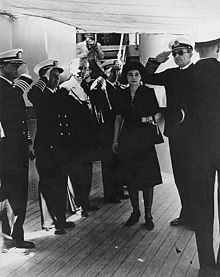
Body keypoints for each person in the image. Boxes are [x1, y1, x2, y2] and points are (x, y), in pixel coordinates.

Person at [145, 38, 194, 228]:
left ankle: (196, 217)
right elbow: (147, 77)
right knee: (180, 175)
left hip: (195, 134)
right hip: (176, 131)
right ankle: (186, 214)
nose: (177, 56)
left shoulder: (199, 73)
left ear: (190, 53)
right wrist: (156, 61)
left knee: (194, 175)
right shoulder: (171, 74)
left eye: (181, 53)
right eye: (174, 54)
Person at [112, 61, 162, 230]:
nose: (133, 78)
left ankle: (148, 214)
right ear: (126, 76)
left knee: (147, 178)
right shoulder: (121, 93)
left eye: (136, 74)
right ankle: (135, 212)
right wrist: (115, 140)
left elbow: (157, 113)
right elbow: (118, 118)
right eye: (130, 74)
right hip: (127, 138)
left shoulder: (148, 92)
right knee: (130, 178)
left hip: (145, 139)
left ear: (141, 76)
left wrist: (146, 119)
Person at [28, 60, 75, 235]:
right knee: (48, 184)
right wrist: (42, 78)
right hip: (46, 148)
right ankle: (50, 222)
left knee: (61, 182)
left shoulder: (60, 94)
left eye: (57, 76)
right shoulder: (40, 95)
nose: (56, 79)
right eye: (53, 76)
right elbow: (32, 94)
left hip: (61, 147)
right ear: (46, 77)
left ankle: (61, 219)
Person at [188, 31, 220, 277]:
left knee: (202, 205)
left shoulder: (187, 76)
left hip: (198, 150)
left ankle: (207, 266)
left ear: (197, 49)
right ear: (218, 48)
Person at [0, 49, 35, 248]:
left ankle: (16, 234)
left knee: (18, 192)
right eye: (13, 66)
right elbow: (13, 97)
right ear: (2, 67)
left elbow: (21, 121)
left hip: (18, 148)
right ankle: (10, 237)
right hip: (7, 151)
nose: (17, 69)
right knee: (11, 192)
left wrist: (28, 142)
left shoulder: (10, 88)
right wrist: (26, 77)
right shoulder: (4, 88)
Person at [60, 58, 99, 217]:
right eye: (79, 68)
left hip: (87, 139)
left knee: (86, 172)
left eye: (85, 68)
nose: (82, 71)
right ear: (71, 68)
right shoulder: (65, 88)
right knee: (76, 172)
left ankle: (85, 201)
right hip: (74, 140)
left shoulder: (86, 87)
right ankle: (78, 206)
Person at [90, 59, 129, 204]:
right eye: (112, 71)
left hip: (118, 128)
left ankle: (118, 190)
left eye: (117, 70)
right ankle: (110, 194)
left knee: (118, 161)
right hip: (107, 129)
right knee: (108, 163)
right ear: (105, 72)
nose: (116, 73)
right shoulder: (101, 88)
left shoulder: (117, 88)